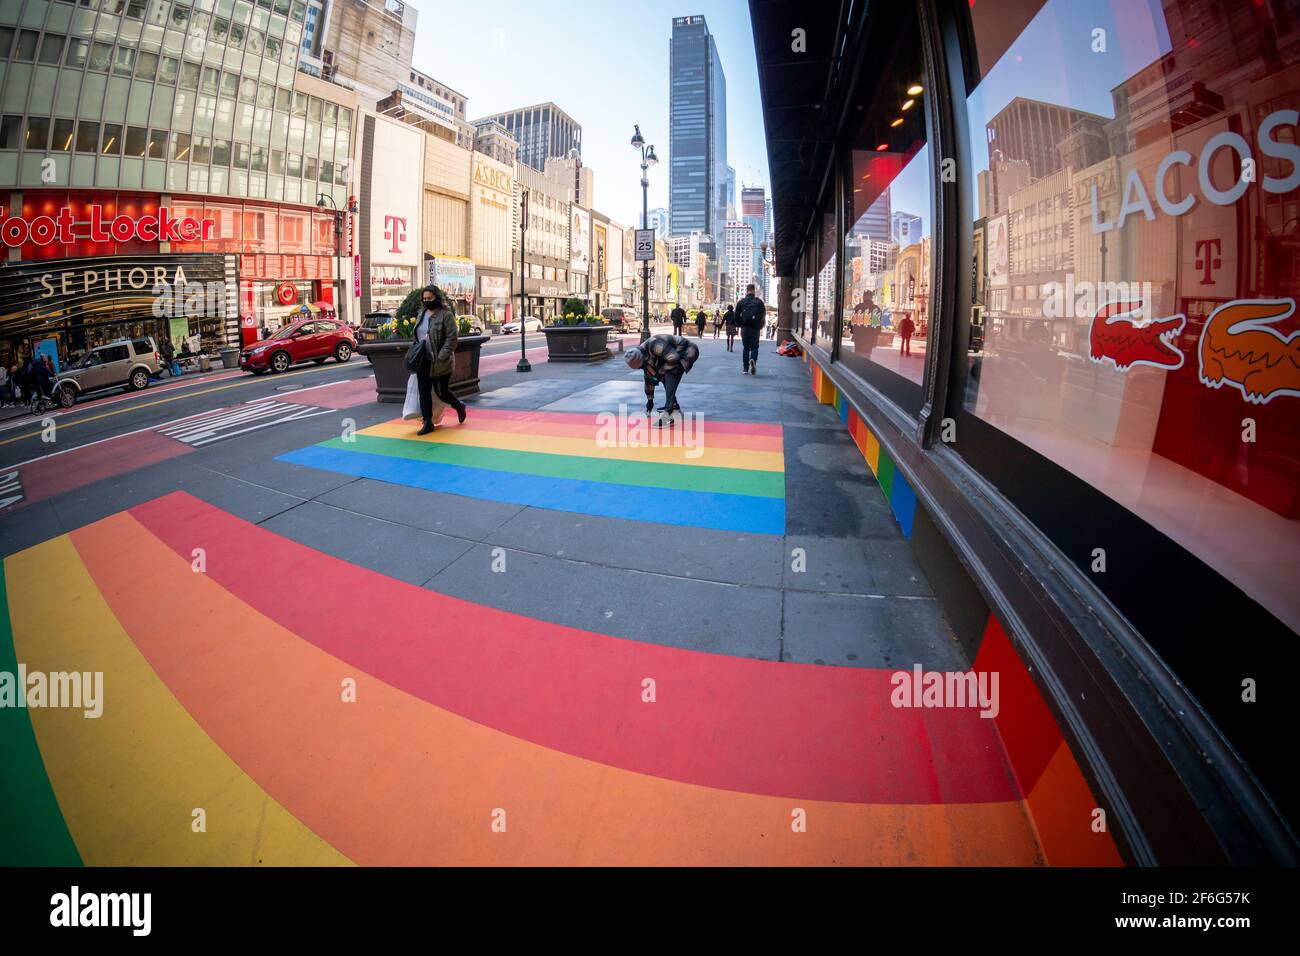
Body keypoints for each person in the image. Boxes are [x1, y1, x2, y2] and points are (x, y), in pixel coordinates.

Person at [412, 284, 467, 436]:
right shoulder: (421, 313)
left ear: (437, 297)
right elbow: (417, 334)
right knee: (423, 392)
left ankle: (459, 406)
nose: (427, 301)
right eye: (424, 298)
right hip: (423, 359)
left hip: (441, 361)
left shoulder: (446, 315)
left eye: (429, 298)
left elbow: (452, 339)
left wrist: (442, 356)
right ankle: (427, 422)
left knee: (441, 392)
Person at [624, 332, 699, 426]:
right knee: (660, 375)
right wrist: (650, 400)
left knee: (669, 374)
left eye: (641, 366)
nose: (642, 368)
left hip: (687, 351)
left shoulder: (655, 345)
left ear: (642, 358)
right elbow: (649, 377)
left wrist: (660, 372)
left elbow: (673, 358)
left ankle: (669, 414)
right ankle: (674, 407)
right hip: (671, 355)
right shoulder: (642, 354)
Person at [736, 283, 766, 375]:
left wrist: (739, 325)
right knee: (754, 347)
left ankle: (745, 369)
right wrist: (760, 326)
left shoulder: (742, 302)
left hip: (745, 328)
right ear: (754, 291)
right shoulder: (759, 302)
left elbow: (736, 315)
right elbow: (763, 315)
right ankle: (753, 360)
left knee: (745, 348)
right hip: (755, 328)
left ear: (746, 291)